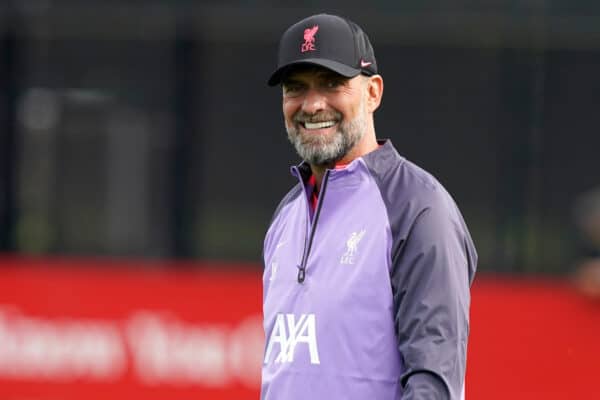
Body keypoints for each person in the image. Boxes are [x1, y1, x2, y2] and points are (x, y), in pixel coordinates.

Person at [261, 13, 477, 400]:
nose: (311, 105)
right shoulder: (287, 214)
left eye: (331, 84)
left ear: (373, 92)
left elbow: (434, 385)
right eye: (296, 88)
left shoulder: (418, 208)